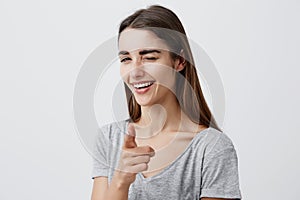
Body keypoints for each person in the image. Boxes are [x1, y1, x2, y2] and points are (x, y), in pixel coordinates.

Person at [91, 5, 242, 200]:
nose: (135, 71)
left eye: (150, 57)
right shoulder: (109, 138)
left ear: (179, 61)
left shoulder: (211, 148)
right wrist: (121, 181)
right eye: (126, 59)